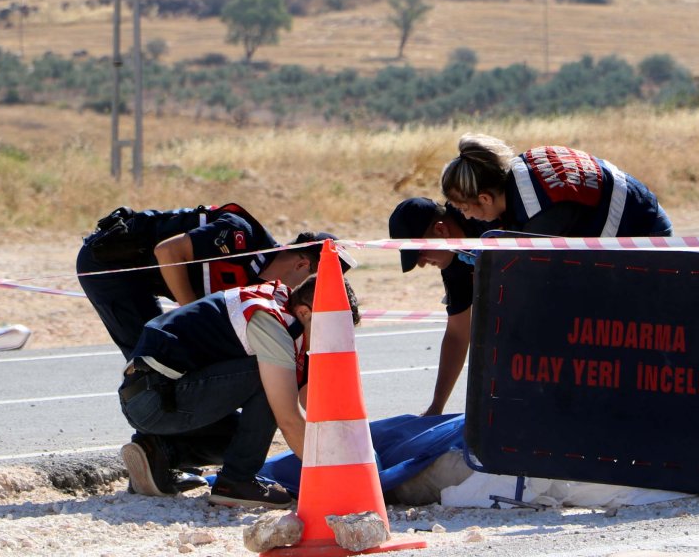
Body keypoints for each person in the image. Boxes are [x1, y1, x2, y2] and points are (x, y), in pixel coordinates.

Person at [76, 204, 353, 495]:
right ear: (302, 266)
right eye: (314, 283)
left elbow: (296, 375)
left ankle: (162, 453)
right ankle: (154, 447)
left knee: (243, 389)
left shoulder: (269, 298)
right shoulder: (242, 234)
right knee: (158, 363)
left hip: (151, 281)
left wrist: (345, 433)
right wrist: (189, 310)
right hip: (111, 262)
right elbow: (168, 252)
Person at [117, 274, 361, 508]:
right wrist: (334, 481)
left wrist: (352, 446)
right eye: (332, 330)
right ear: (305, 312)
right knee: (272, 384)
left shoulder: (285, 311)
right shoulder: (272, 323)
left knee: (244, 442)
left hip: (151, 395)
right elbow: (289, 419)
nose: (334, 341)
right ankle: (236, 482)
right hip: (154, 398)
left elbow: (319, 409)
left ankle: (159, 452)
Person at [439, 134, 673, 238]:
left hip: (645, 232)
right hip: (643, 212)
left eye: (464, 209)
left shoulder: (540, 211)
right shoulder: (521, 170)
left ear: (485, 198)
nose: (467, 217)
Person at [387, 197, 495, 416]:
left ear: (440, 230)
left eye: (419, 252)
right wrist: (437, 406)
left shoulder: (484, 214)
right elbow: (457, 334)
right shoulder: (454, 265)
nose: (421, 263)